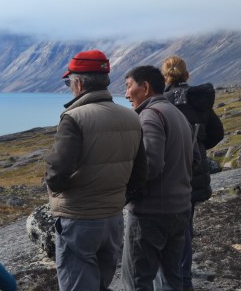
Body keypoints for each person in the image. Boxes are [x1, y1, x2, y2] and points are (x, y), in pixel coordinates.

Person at [43, 50, 147, 291]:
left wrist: (56, 189)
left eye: (70, 82)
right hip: (112, 220)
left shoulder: (74, 118)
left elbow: (57, 175)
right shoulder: (131, 118)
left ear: (78, 83)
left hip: (78, 220)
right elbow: (140, 173)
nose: (70, 86)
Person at [122, 65, 194, 291]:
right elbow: (197, 159)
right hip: (180, 209)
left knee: (136, 281)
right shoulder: (177, 114)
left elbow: (151, 165)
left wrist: (126, 193)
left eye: (128, 86)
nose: (126, 94)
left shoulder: (150, 116)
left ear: (145, 87)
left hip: (151, 214)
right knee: (171, 279)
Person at [161, 56, 225, 291]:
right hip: (195, 171)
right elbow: (217, 133)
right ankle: (184, 278)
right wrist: (198, 147)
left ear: (164, 75)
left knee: (168, 229)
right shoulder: (199, 100)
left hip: (170, 172)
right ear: (186, 73)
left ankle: (176, 280)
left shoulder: (163, 101)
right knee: (186, 223)